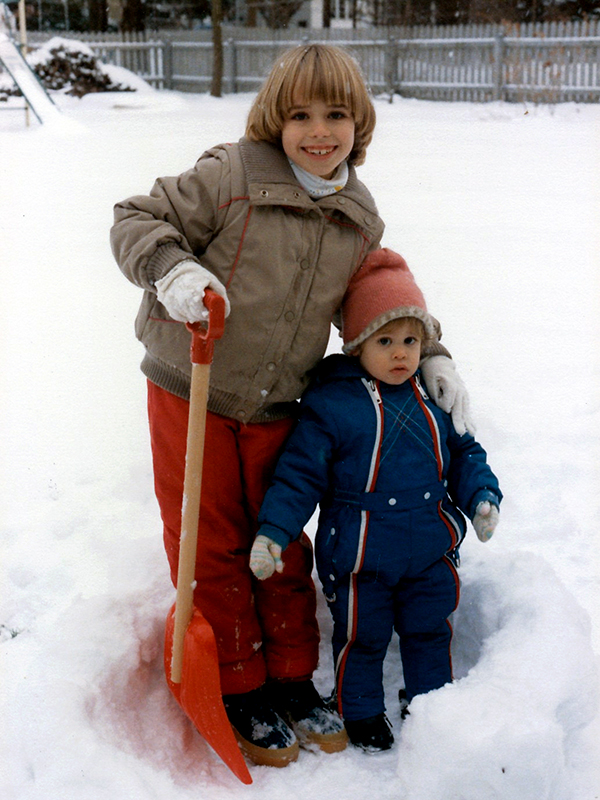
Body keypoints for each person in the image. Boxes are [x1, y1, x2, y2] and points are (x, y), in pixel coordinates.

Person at [110, 44, 472, 767]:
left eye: (336, 114)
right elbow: (135, 218)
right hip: (195, 386)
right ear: (277, 118)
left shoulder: (357, 217)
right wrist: (173, 269)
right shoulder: (233, 174)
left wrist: (429, 353)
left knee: (279, 541)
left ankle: (291, 677)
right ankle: (239, 683)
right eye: (301, 113)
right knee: (211, 540)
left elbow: (378, 292)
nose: (318, 131)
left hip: (280, 404)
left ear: (358, 123)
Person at [250, 247, 502, 754]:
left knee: (430, 627)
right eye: (385, 341)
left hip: (431, 547)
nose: (400, 354)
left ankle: (431, 704)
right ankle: (360, 710)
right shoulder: (332, 405)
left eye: (411, 341)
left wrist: (481, 497)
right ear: (357, 345)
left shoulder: (432, 395)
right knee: (362, 633)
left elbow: (464, 451)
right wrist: (274, 532)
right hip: (362, 552)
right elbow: (299, 476)